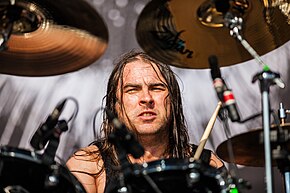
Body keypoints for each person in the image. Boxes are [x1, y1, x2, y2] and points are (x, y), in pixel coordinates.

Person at [66, 49, 225, 193]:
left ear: (173, 102)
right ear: (115, 106)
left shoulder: (207, 165)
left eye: (157, 88)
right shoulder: (88, 165)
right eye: (133, 89)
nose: (147, 98)